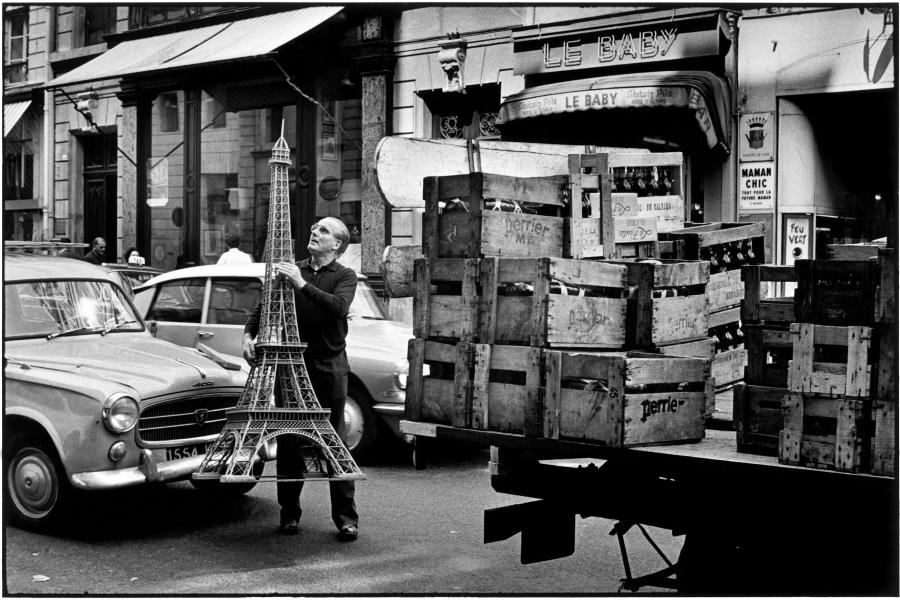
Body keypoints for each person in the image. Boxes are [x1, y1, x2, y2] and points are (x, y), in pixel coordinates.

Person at [242, 217, 359, 540]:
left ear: (337, 244)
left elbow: (338, 307)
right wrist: (248, 333)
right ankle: (289, 514)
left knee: (335, 441)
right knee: (290, 442)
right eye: (314, 227)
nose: (314, 231)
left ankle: (346, 519)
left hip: (328, 365)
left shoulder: (344, 276)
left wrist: (301, 284)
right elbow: (265, 305)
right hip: (293, 364)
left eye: (323, 230)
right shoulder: (293, 268)